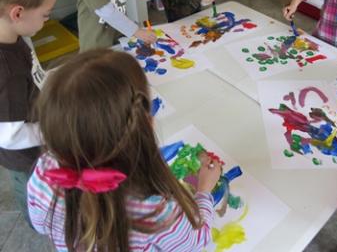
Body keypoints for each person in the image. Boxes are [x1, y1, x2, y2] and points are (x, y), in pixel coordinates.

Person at [27, 49, 222, 251]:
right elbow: (196, 241)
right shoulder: (158, 210)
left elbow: (40, 225)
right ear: (146, 122)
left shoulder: (45, 172)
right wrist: (204, 191)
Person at [0, 0, 57, 224]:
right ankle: (39, 222)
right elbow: (10, 136)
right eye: (45, 14)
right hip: (23, 156)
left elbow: (32, 73)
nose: (47, 20)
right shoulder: (6, 70)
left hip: (30, 123)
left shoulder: (12, 35)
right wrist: (52, 130)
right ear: (18, 12)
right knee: (31, 193)